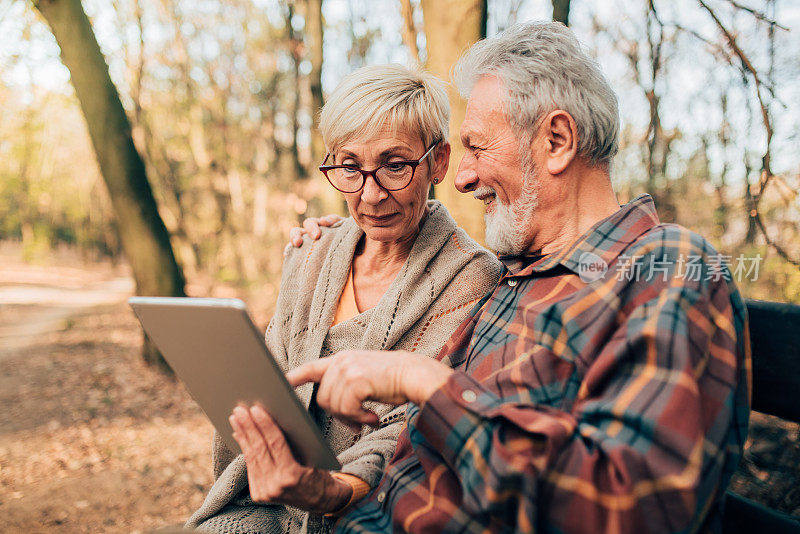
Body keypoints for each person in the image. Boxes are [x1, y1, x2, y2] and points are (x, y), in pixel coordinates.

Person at [276, 21, 750, 532]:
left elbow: (632, 508)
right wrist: (334, 241)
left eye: (477, 148)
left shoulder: (665, 269)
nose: (461, 176)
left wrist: (428, 384)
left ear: (556, 140)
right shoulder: (516, 279)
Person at [185, 64, 502, 533]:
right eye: (350, 167)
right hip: (265, 500)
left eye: (395, 166)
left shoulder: (472, 277)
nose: (370, 195)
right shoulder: (311, 252)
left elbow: (410, 429)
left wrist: (328, 488)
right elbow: (268, 381)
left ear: (438, 162)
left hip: (363, 513)